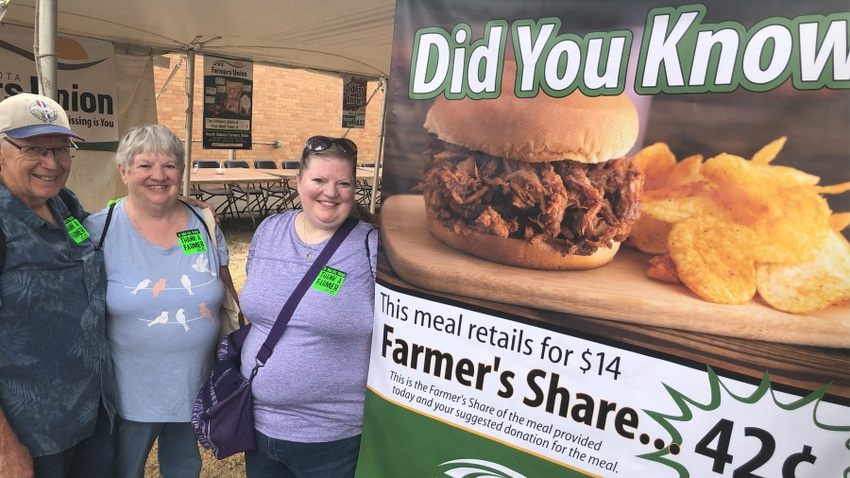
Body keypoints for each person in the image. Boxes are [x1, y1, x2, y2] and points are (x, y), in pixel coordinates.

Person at [82, 124, 242, 478]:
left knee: (185, 469)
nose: (159, 175)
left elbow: (226, 292)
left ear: (181, 172)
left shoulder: (204, 221)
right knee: (123, 470)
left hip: (193, 386)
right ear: (123, 171)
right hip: (128, 397)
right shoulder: (98, 230)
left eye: (169, 165)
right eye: (144, 165)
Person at [239, 135, 377, 477]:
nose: (330, 192)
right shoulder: (269, 231)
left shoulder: (371, 247)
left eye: (343, 183)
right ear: (298, 181)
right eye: (319, 180)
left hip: (332, 439)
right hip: (258, 428)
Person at [0, 92, 117, 478]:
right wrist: (5, 449)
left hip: (92, 415)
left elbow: (107, 239)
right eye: (34, 149)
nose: (51, 163)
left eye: (61, 148)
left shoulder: (64, 203)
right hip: (31, 432)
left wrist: (174, 209)